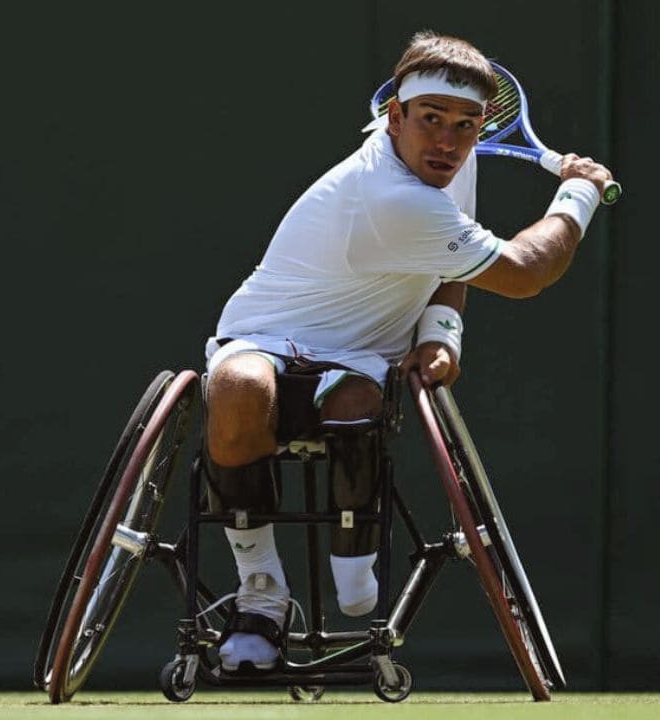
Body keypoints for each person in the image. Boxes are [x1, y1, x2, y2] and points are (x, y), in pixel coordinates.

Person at [202, 31, 615, 672]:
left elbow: (454, 265)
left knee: (359, 401)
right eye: (430, 120)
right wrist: (578, 195)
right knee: (237, 388)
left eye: (466, 124)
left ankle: (355, 571)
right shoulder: (390, 196)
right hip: (260, 334)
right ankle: (261, 594)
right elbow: (525, 272)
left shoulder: (453, 166)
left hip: (364, 356)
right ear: (394, 117)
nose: (448, 141)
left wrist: (439, 336)